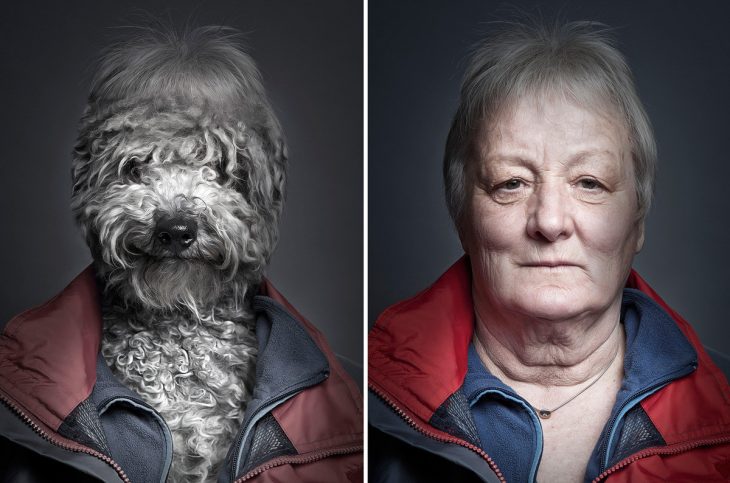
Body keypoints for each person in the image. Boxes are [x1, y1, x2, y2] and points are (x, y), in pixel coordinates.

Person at [369, 19, 730, 482]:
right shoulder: (364, 406)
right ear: (463, 218)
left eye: (589, 183)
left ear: (636, 221)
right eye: (511, 183)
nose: (550, 221)